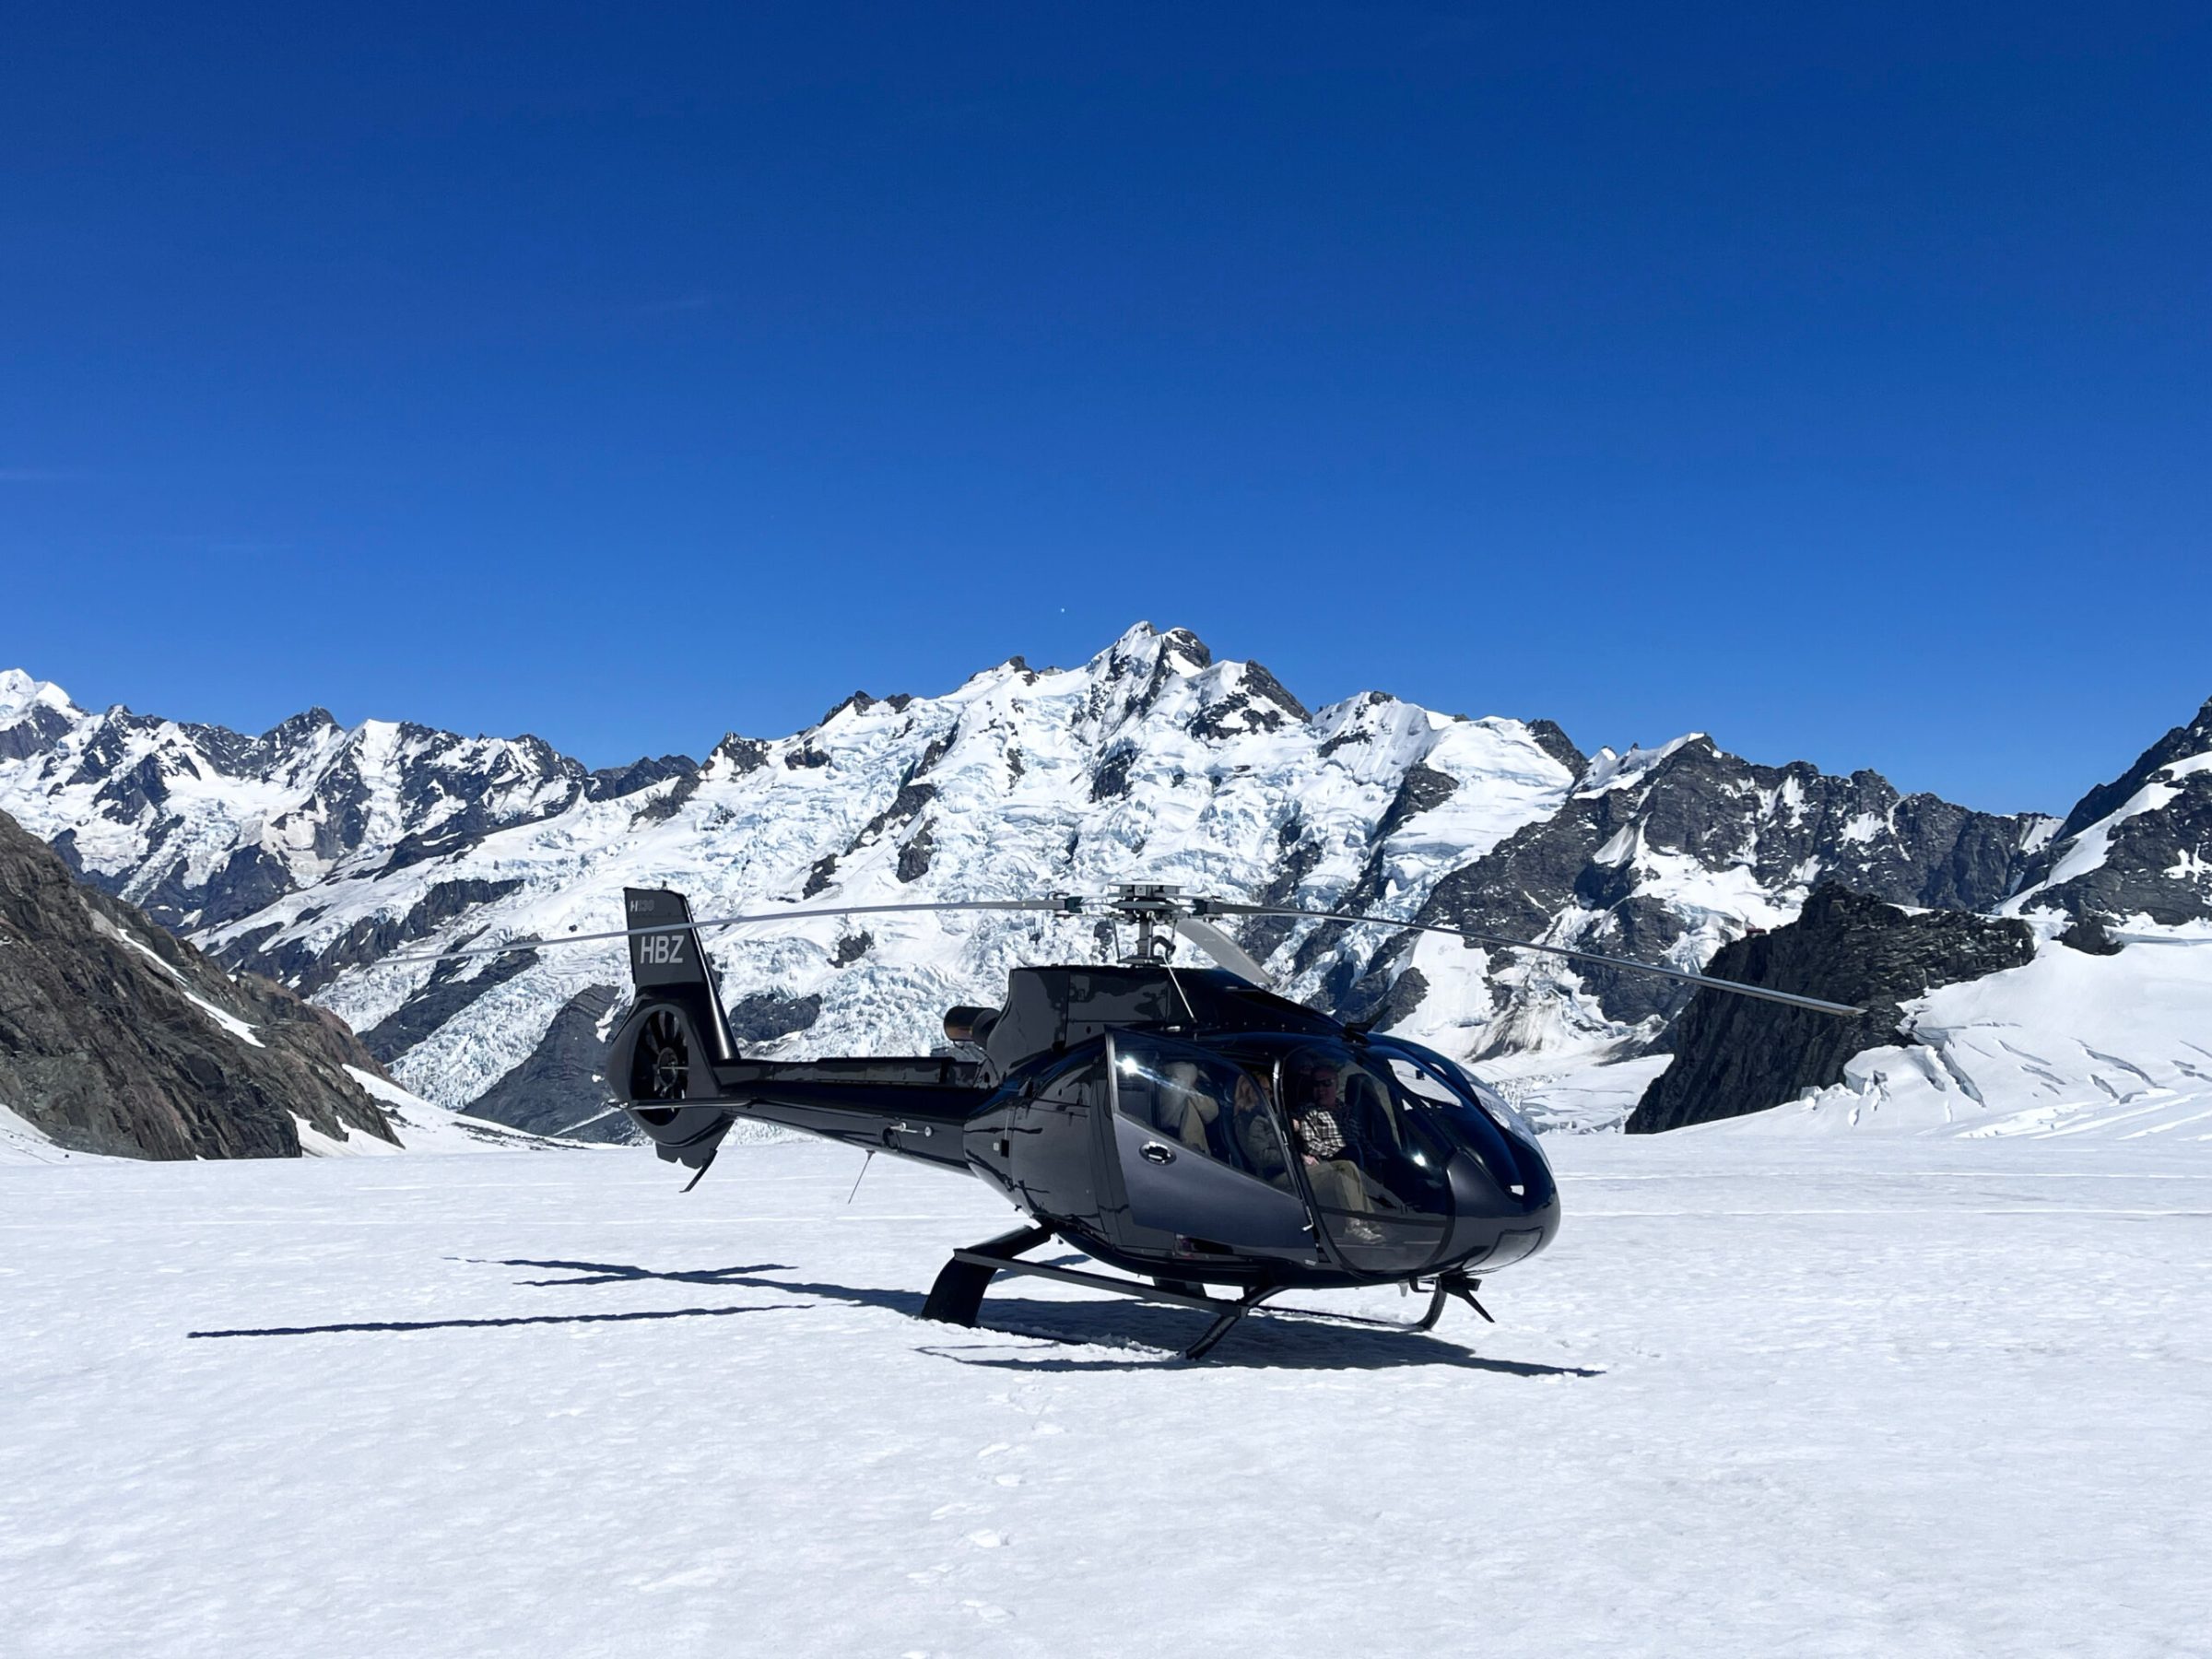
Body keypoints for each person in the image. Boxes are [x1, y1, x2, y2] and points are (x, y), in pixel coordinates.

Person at [1283, 1050, 1371, 1217]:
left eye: (1326, 1084)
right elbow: (1311, 1145)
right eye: (1316, 1085)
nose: (1321, 1089)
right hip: (1332, 1163)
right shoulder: (1307, 1111)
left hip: (1358, 1159)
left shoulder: (1348, 1111)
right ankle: (1360, 1225)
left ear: (1336, 1085)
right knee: (1350, 1158)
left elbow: (1362, 1139)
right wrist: (1339, 1152)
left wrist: (1376, 1157)